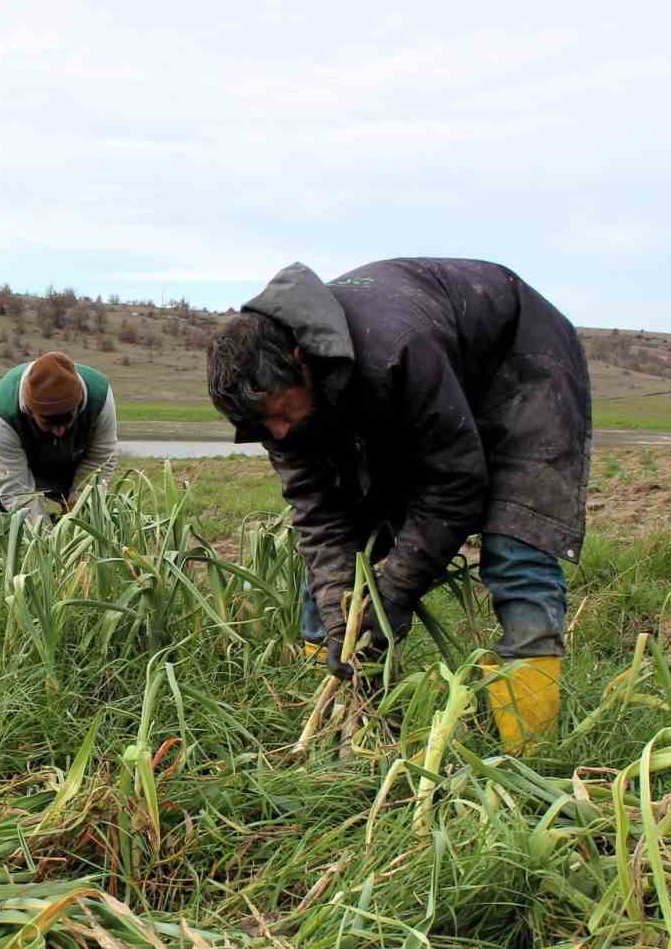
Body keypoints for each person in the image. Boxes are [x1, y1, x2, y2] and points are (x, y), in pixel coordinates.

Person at [205, 260, 592, 753]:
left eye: (282, 414)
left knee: (517, 544)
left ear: (301, 359)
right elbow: (318, 516)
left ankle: (532, 753)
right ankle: (335, 724)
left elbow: (454, 487)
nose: (279, 433)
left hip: (521, 365)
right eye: (266, 424)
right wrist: (338, 613)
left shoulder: (396, 349)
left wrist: (392, 600)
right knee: (338, 576)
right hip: (418, 395)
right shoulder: (271, 403)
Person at [0, 351, 120, 525]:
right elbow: (17, 492)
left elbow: (100, 460)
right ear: (30, 410)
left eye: (67, 419)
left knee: (88, 517)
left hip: (74, 456)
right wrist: (47, 541)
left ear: (79, 402)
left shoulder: (100, 397)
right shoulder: (1, 416)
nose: (59, 431)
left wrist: (77, 520)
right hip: (14, 458)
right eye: (49, 422)